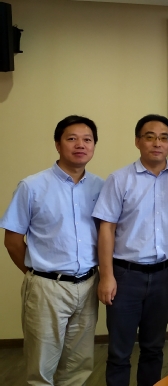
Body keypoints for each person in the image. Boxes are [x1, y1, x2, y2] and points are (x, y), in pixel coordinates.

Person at [0, 115, 104, 385]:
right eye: (72, 139)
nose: (80, 145)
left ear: (94, 145)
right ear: (58, 144)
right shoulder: (32, 186)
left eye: (87, 139)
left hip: (89, 284)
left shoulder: (101, 187)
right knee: (42, 365)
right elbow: (12, 241)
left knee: (78, 364)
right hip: (47, 288)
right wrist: (37, 275)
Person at [92, 115, 168, 385]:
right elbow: (106, 229)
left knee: (154, 348)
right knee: (120, 352)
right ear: (137, 141)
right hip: (125, 276)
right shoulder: (119, 179)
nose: (157, 143)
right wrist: (106, 276)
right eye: (150, 137)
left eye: (163, 137)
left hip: (165, 274)